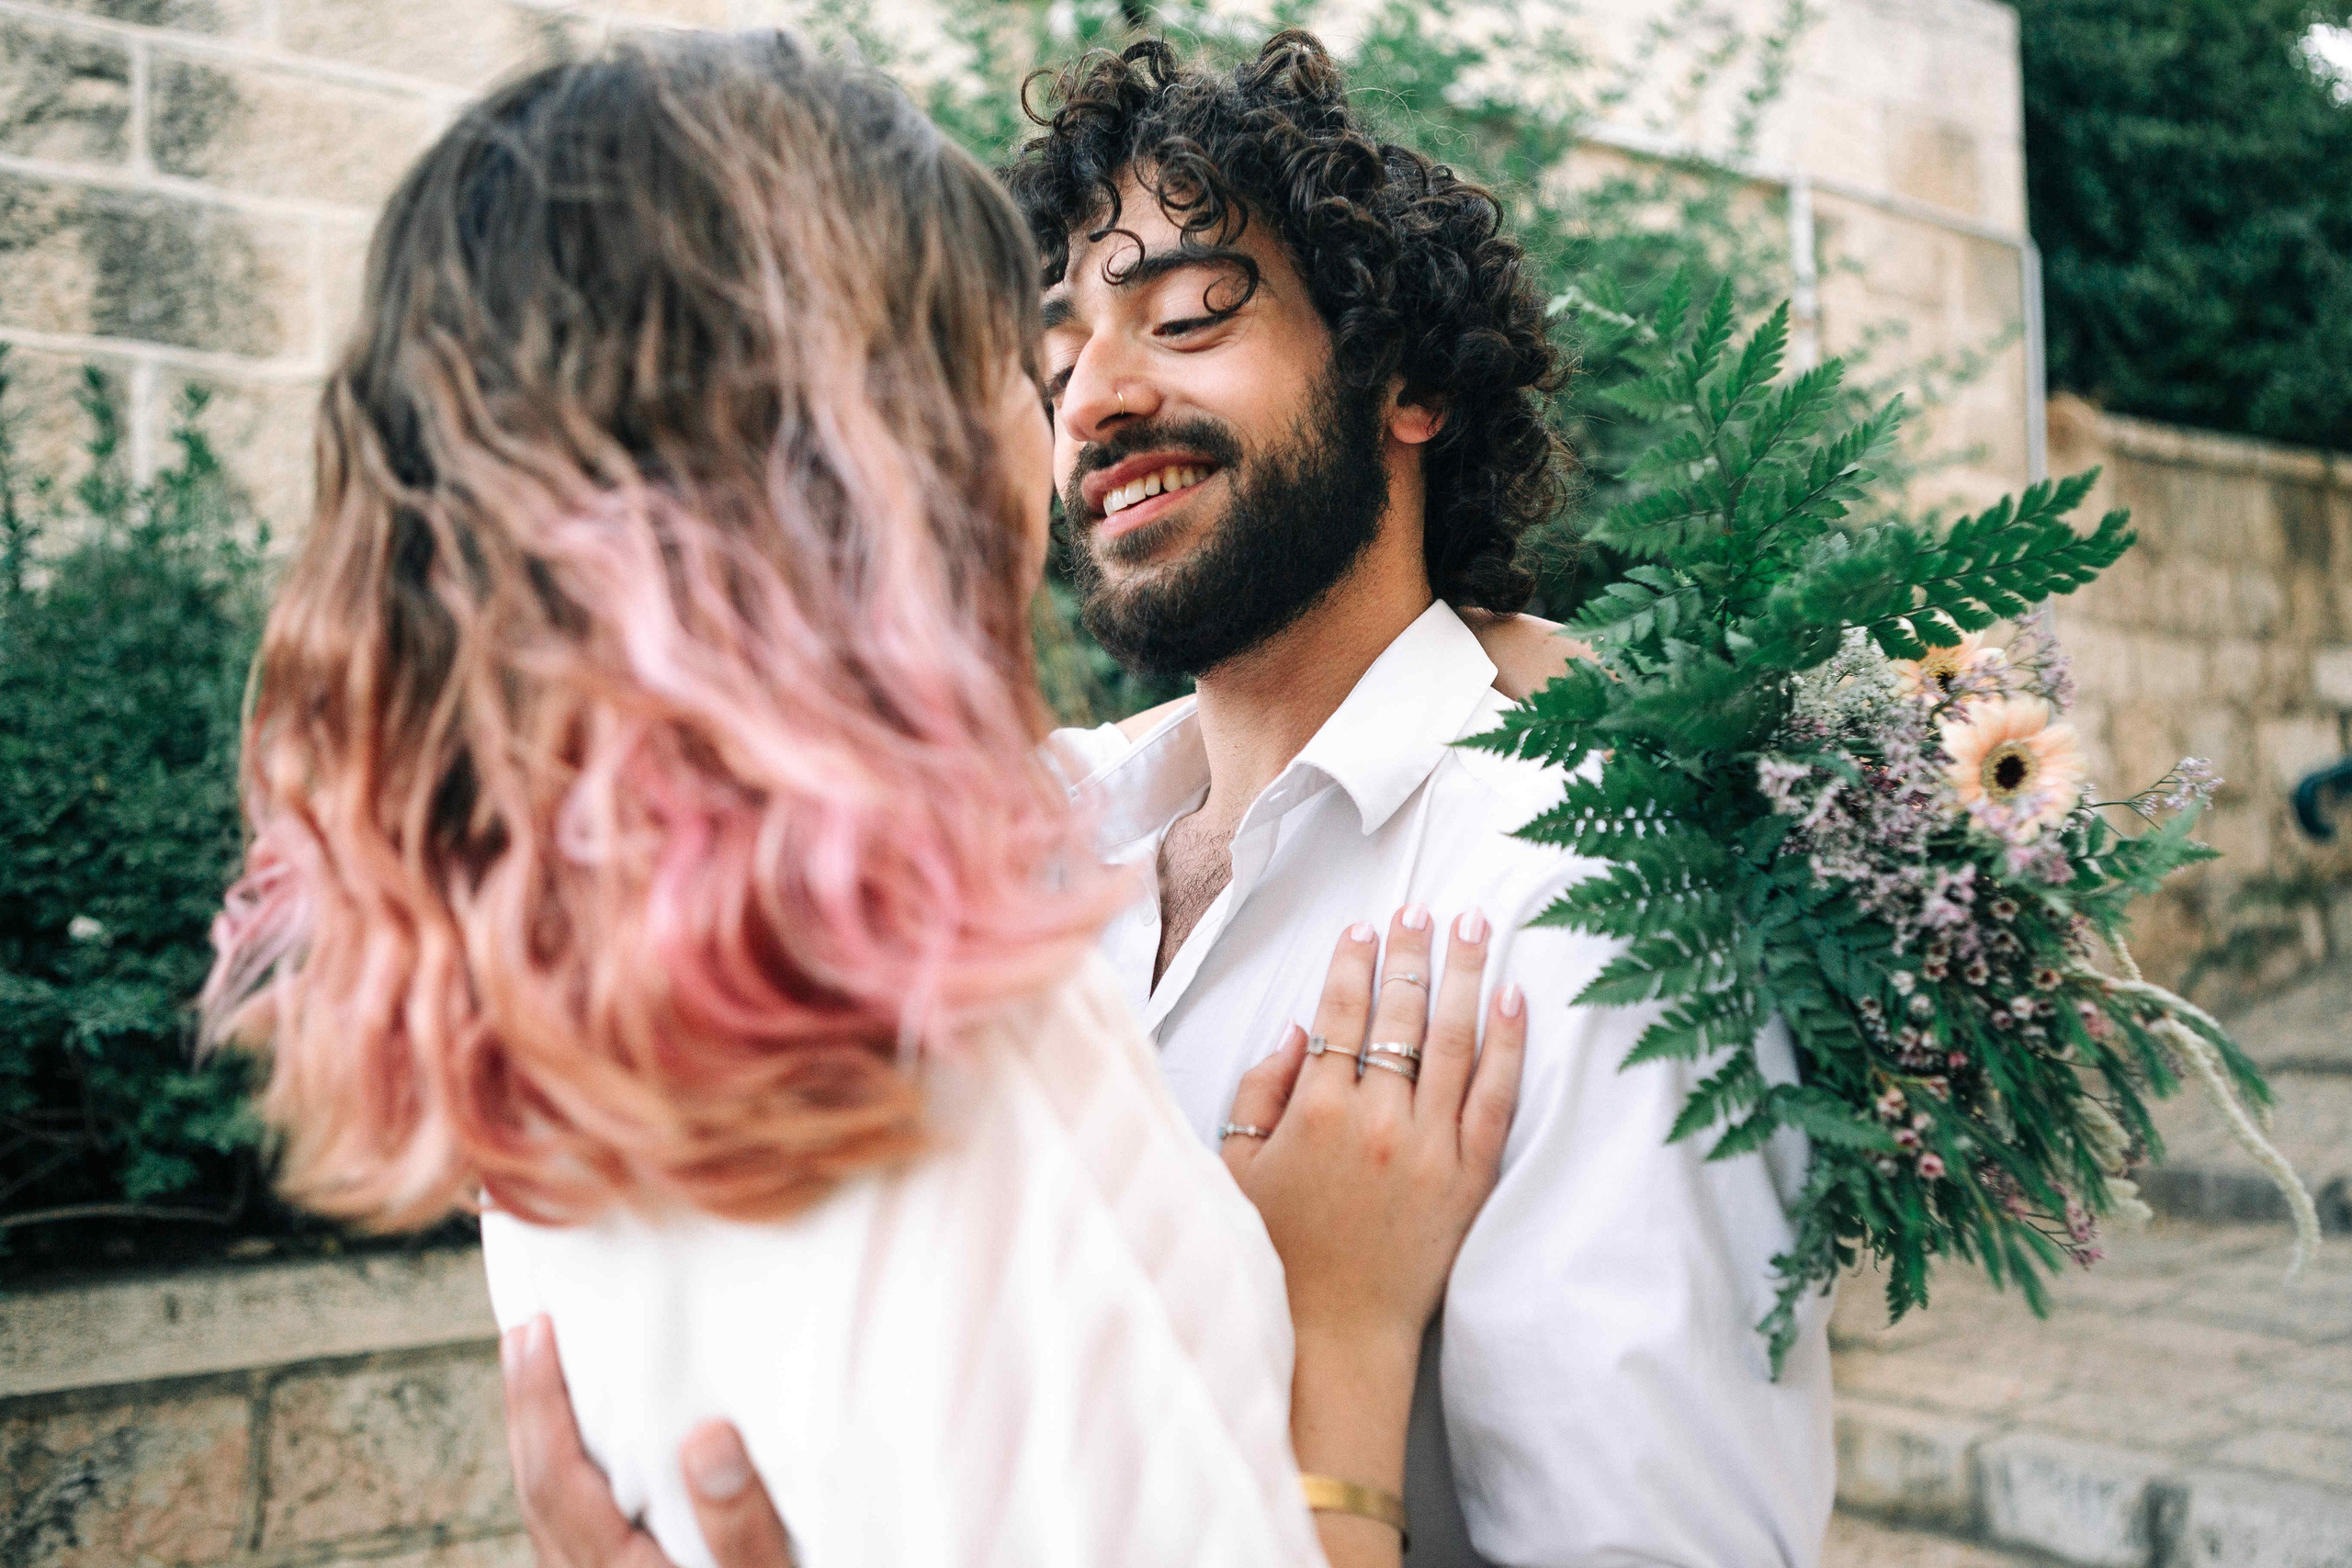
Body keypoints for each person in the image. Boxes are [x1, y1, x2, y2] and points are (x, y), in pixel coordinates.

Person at [200, 32, 1539, 1568]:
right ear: (851, 455)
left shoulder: (571, 1008)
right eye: (1009, 364)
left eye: (1179, 320)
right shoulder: (932, 1042)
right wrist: (1346, 1333)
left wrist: (1550, 674)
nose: (1064, 414)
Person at [508, 28, 1838, 1568]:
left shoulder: (1575, 889)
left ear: (1404, 377)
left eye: (1190, 314)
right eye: (1056, 356)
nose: (1091, 401)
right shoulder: (1020, 848)